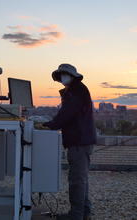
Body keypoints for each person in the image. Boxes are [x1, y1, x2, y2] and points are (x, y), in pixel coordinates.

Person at [43, 64, 97, 220]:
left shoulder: (75, 91)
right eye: (61, 75)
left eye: (64, 74)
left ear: (72, 76)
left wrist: (51, 125)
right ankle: (83, 212)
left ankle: (76, 215)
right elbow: (67, 113)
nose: (62, 77)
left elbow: (67, 113)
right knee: (81, 178)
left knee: (77, 180)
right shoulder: (76, 90)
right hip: (82, 140)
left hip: (79, 141)